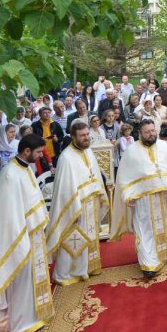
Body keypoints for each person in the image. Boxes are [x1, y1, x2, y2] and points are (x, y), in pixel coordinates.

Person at [0, 133, 54, 332]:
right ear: (27, 150)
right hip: (19, 236)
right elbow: (9, 214)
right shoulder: (9, 174)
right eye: (38, 152)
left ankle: (31, 315)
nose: (41, 156)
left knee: (30, 278)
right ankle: (18, 322)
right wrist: (21, 236)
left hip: (33, 234)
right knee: (20, 279)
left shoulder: (25, 168)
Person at [110, 119, 167, 278]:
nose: (152, 134)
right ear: (140, 133)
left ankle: (162, 252)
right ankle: (148, 263)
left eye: (153, 130)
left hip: (161, 196)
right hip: (142, 199)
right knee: (144, 228)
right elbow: (123, 177)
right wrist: (127, 195)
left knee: (161, 225)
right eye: (148, 132)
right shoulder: (131, 152)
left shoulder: (163, 146)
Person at [47, 120, 108, 284]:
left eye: (87, 134)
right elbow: (65, 189)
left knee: (89, 236)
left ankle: (88, 267)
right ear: (73, 137)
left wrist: (101, 195)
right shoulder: (66, 158)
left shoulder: (87, 151)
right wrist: (72, 210)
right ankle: (67, 273)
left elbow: (94, 174)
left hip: (92, 203)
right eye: (82, 135)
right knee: (74, 239)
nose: (86, 138)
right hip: (77, 207)